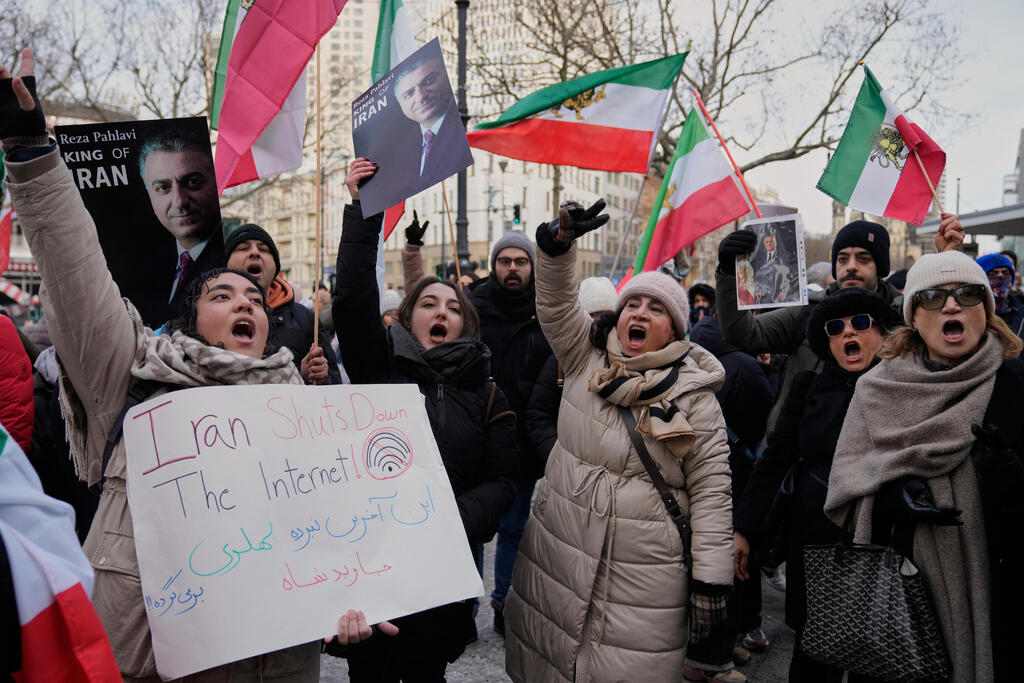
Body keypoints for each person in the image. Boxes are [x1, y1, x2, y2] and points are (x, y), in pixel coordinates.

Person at [1, 50, 327, 680]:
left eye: (255, 301)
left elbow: (338, 536)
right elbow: (77, 275)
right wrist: (30, 152)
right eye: (222, 294)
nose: (245, 304)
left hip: (277, 663)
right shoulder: (137, 376)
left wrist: (352, 600)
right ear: (188, 321)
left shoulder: (307, 413)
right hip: (152, 660)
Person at [504, 199, 734, 682]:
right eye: (633, 303)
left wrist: (711, 594)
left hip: (643, 581)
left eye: (656, 308)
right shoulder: (584, 355)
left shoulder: (696, 399)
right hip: (559, 558)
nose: (640, 313)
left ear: (675, 329)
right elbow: (555, 302)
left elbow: (712, 499)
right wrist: (557, 249)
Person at [331, 158, 518, 680]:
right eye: (429, 303)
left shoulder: (487, 395)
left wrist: (451, 518)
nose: (441, 312)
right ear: (409, 316)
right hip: (373, 567)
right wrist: (362, 210)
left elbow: (503, 480)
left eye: (452, 307)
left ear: (464, 323)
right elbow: (350, 300)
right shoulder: (379, 369)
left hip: (440, 571)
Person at [825, 251, 1024, 682]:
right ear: (914, 316)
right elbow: (844, 486)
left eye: (966, 295)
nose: (950, 306)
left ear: (986, 312)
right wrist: (887, 499)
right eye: (932, 297)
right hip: (898, 599)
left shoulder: (1015, 385)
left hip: (997, 597)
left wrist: (1012, 483)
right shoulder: (876, 389)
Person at [732, 288, 895, 681]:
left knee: (876, 657)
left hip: (884, 547)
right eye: (835, 328)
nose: (847, 334)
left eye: (860, 323)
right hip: (816, 546)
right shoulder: (807, 388)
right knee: (813, 654)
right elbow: (773, 464)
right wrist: (744, 528)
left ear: (882, 334)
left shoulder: (902, 388)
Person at [715, 216, 964, 434]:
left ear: (881, 268)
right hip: (800, 461)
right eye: (843, 259)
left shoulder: (904, 315)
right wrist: (728, 272)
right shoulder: (808, 311)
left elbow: (951, 326)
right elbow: (743, 333)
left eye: (863, 258)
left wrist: (947, 257)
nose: (851, 266)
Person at [466, 228, 554, 636]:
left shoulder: (546, 309)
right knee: (470, 529)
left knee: (514, 529)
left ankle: (504, 603)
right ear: (494, 265)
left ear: (532, 267)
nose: (513, 268)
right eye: (505, 261)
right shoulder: (472, 308)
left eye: (520, 261)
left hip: (520, 442)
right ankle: (462, 610)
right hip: (475, 437)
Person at [688, 304, 777, 681]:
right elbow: (766, 413)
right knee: (734, 561)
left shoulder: (688, 366)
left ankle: (710, 651)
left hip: (696, 477)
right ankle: (720, 651)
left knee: (704, 562)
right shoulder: (747, 366)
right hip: (738, 476)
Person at [224, 223, 341, 383]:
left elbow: (333, 388)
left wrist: (311, 377)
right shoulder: (207, 315)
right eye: (243, 248)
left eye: (263, 249)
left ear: (275, 267)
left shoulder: (306, 319)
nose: (255, 252)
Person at [137, 128, 224, 313]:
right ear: (150, 196)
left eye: (192, 182)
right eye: (162, 188)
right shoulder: (145, 273)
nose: (179, 201)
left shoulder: (235, 261)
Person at [392, 55, 472, 189]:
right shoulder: (400, 154)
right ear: (401, 106)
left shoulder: (462, 133)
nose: (421, 97)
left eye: (429, 81)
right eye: (409, 94)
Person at [976, 252, 1024, 342]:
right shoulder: (971, 312)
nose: (1001, 276)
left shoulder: (1020, 309)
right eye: (993, 273)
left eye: (1005, 272)